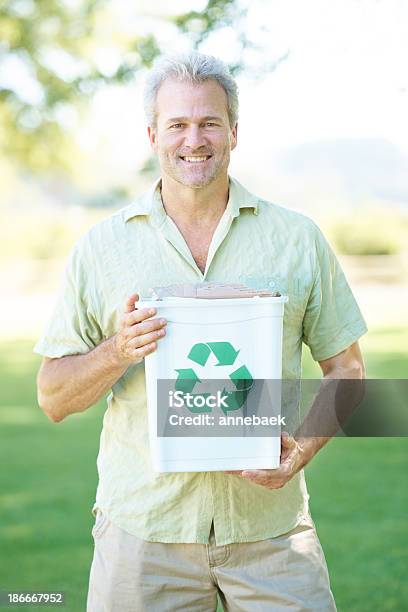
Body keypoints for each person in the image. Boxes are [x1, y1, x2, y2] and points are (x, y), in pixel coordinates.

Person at [35, 51, 367, 611]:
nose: (195, 139)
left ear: (234, 131)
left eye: (210, 122)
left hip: (272, 537)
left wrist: (301, 451)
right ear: (152, 135)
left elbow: (349, 372)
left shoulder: (296, 238)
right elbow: (52, 397)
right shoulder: (101, 248)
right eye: (178, 124)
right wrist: (118, 351)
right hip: (144, 536)